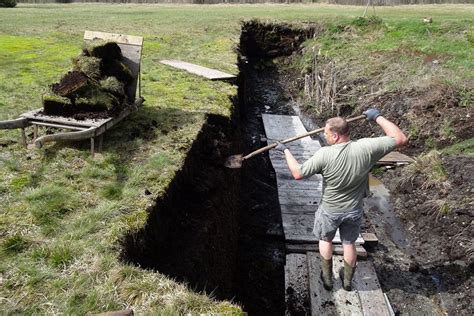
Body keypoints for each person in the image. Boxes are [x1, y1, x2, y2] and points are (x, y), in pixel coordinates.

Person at [274, 108, 407, 291]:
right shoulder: (366, 147)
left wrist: (286, 151)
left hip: (329, 210)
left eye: (326, 133)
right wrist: (378, 117)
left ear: (336, 136)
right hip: (354, 209)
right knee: (349, 243)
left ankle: (327, 279)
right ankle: (347, 281)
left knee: (325, 240)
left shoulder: (325, 154)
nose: (324, 135)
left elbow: (298, 173)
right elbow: (400, 138)